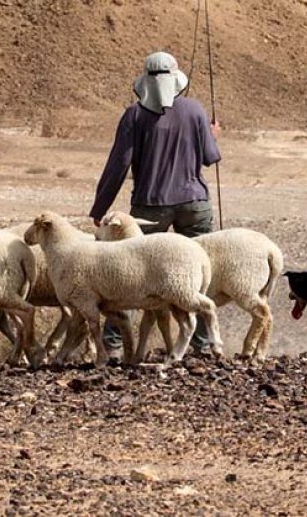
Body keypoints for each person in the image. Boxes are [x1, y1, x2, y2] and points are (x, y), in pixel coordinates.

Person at [89, 50, 221, 359]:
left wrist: (100, 209)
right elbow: (211, 157)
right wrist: (213, 134)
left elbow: (117, 167)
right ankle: (203, 345)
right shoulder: (194, 110)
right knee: (200, 275)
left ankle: (113, 344)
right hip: (194, 202)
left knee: (133, 276)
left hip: (150, 207)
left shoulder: (134, 115)